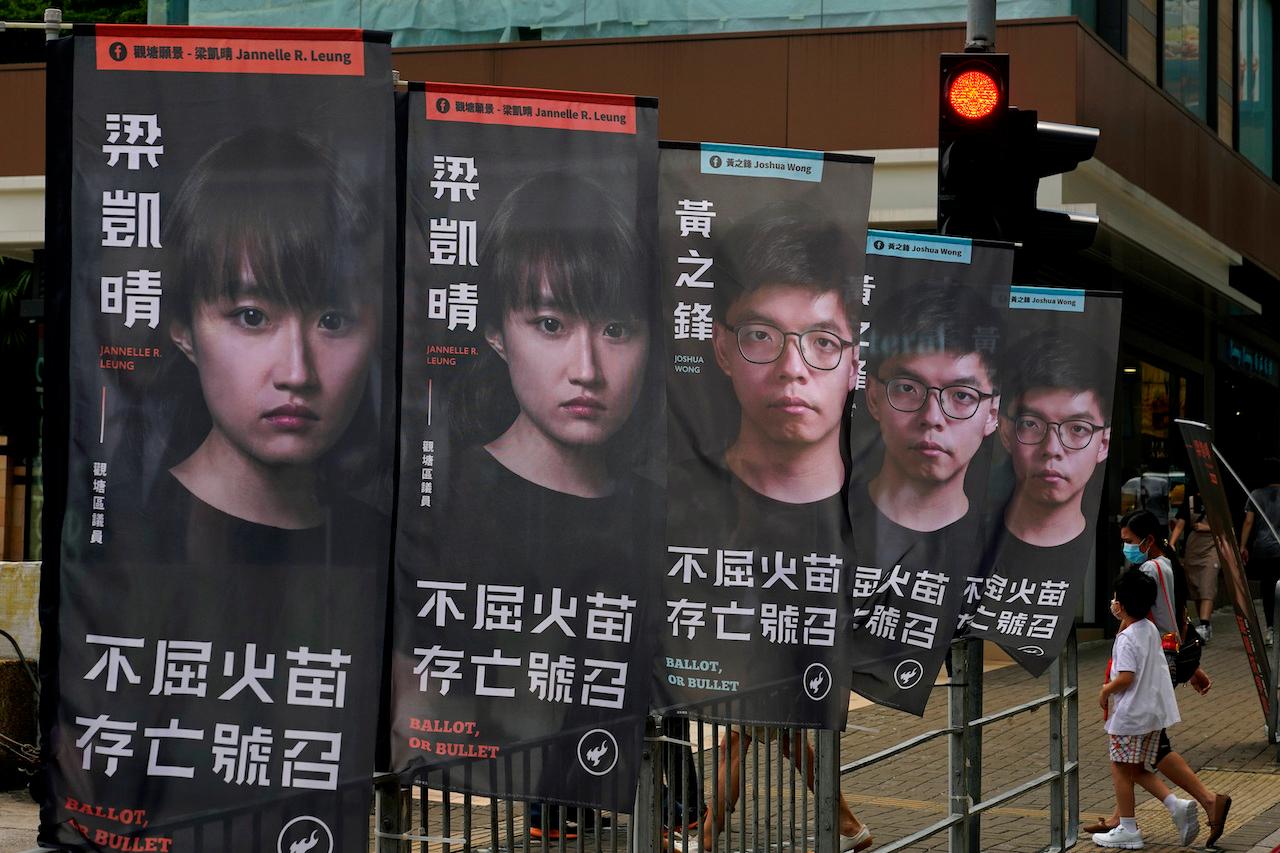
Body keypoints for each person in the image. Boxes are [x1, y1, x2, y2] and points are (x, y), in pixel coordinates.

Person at [436, 171, 661, 839]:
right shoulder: (446, 505)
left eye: (617, 328)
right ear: (497, 331)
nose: (586, 366)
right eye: (550, 323)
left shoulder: (656, 510)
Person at [668, 203, 871, 851]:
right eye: (763, 335)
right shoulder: (691, 488)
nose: (792, 368)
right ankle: (833, 825)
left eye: (821, 341)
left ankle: (839, 825)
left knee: (770, 744)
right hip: (768, 655)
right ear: (723, 346)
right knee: (765, 744)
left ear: (850, 360)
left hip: (775, 657)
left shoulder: (840, 495)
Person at [162, 128, 383, 530]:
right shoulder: (120, 539)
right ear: (183, 331)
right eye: (252, 317)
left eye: (332, 321)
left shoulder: (382, 546)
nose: (296, 374)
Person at [848, 280, 1002, 710]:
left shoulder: (998, 541)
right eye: (908, 388)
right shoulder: (826, 524)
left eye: (961, 396)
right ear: (874, 396)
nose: (932, 418)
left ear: (992, 412)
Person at [1084, 510, 1232, 848]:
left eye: (1129, 542)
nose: (1126, 548)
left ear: (1147, 540)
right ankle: (1123, 817)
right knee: (1137, 751)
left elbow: (1168, 619)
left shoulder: (1154, 569)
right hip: (1159, 662)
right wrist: (1188, 666)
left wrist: (1182, 664)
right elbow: (1173, 617)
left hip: (1153, 666)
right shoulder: (1164, 563)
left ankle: (1206, 801)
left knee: (1144, 749)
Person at [970, 332, 1111, 670]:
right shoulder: (966, 540)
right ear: (1005, 431)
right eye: (1032, 424)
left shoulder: (1087, 556)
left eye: (1077, 428)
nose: (1053, 448)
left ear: (1103, 443)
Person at [1093, 568, 1195, 849]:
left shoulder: (1127, 638)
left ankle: (1127, 828)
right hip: (1151, 714)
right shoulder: (1148, 628)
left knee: (1120, 769)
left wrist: (1105, 690)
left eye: (1116, 598)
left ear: (1122, 604)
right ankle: (1176, 806)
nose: (1113, 603)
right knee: (1136, 769)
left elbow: (1126, 677)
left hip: (1130, 716)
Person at [1170, 488, 1219, 644]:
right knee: (1196, 587)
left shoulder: (1218, 500)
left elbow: (1227, 526)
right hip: (1193, 547)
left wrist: (1208, 528)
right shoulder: (1190, 502)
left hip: (1213, 546)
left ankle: (1204, 624)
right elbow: (1180, 525)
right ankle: (1204, 625)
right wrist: (1171, 543)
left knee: (1207, 584)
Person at [1240, 457, 1280, 646]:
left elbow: (1248, 522)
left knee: (1268, 589)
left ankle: (1271, 629)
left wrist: (1242, 546)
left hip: (1263, 549)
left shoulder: (1255, 494)